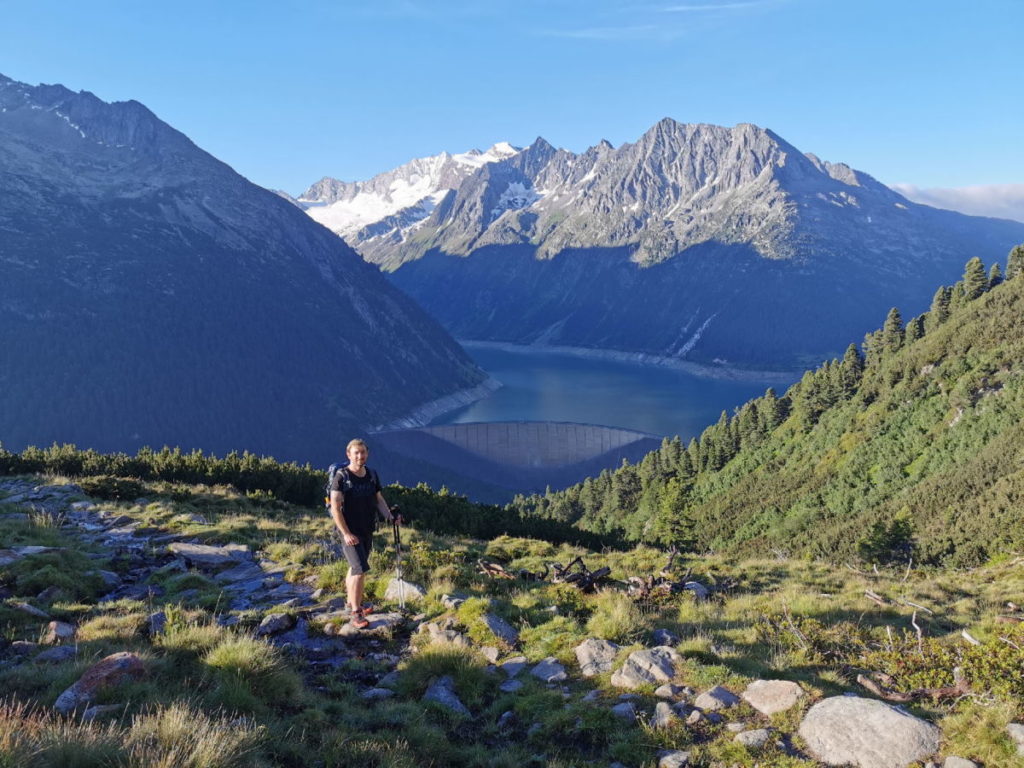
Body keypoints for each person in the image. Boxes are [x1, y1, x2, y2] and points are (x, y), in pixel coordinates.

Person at [328, 438, 398, 629]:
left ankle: (351, 602)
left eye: (363, 452)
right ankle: (356, 613)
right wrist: (346, 533)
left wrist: (389, 516)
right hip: (350, 532)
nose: (360, 456)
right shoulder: (342, 477)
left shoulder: (372, 475)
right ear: (348, 454)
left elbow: (378, 500)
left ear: (367, 453)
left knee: (355, 568)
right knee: (360, 570)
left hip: (367, 529)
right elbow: (335, 508)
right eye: (356, 453)